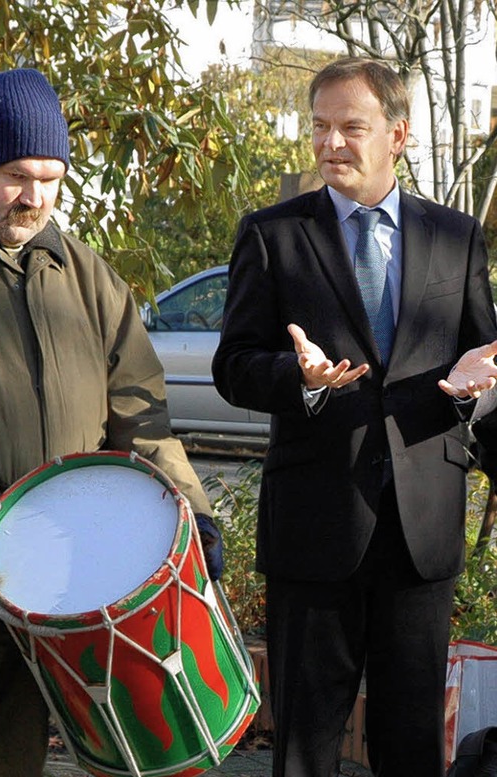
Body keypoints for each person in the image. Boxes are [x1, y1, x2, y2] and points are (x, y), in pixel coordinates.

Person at [0, 68, 222, 777]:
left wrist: (192, 517)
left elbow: (143, 421)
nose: (35, 197)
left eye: (52, 177)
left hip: (61, 590)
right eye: (17, 175)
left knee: (16, 764)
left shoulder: (89, 277)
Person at [212, 57, 497, 777]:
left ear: (398, 134)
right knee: (306, 748)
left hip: (421, 534)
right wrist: (299, 380)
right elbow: (234, 364)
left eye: (351, 127)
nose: (331, 143)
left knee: (409, 746)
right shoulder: (274, 235)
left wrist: (474, 395)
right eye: (320, 128)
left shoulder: (454, 237)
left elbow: (482, 360)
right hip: (314, 527)